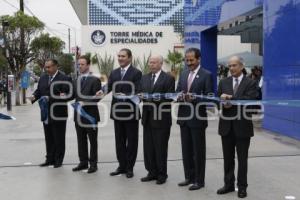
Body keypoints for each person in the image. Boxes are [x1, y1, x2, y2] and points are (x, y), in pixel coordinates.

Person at [216, 56, 258, 198]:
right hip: (226, 126)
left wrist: (231, 99)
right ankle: (228, 184)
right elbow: (217, 101)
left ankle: (242, 187)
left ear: (241, 66)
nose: (231, 68)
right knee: (228, 159)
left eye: (234, 65)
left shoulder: (251, 83)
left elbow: (252, 101)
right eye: (230, 66)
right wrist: (223, 103)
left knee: (242, 159)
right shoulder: (223, 82)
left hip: (242, 127)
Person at [176, 48, 213, 191]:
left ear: (198, 59)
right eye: (187, 60)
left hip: (197, 119)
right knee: (186, 150)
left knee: (198, 152)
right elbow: (178, 90)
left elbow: (209, 96)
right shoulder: (183, 73)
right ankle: (189, 177)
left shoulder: (206, 75)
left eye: (191, 60)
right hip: (184, 117)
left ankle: (199, 180)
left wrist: (195, 98)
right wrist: (179, 96)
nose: (189, 62)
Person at [139, 55, 175, 185]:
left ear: (160, 64)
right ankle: (151, 172)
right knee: (149, 148)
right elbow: (140, 93)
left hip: (161, 119)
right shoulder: (144, 78)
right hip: (147, 118)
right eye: (150, 62)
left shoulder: (169, 78)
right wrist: (138, 97)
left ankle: (162, 174)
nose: (151, 65)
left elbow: (170, 97)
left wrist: (154, 98)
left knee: (160, 148)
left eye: (154, 62)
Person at [107, 48, 142, 178]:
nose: (120, 58)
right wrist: (100, 92)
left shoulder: (136, 73)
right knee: (119, 141)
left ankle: (129, 168)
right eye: (119, 56)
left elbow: (138, 90)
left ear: (129, 58)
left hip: (131, 112)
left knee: (132, 141)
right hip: (117, 112)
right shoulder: (114, 72)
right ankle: (121, 166)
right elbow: (108, 87)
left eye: (123, 56)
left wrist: (126, 95)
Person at [31, 59, 71, 168]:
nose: (47, 69)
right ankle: (49, 159)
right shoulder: (43, 77)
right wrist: (34, 96)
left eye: (49, 67)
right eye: (46, 67)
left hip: (58, 113)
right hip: (45, 112)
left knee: (59, 138)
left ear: (56, 66)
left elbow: (67, 95)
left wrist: (51, 98)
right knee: (48, 137)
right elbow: (39, 91)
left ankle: (58, 160)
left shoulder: (64, 78)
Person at [72, 55, 102, 174]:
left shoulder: (95, 80)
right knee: (81, 140)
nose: (79, 66)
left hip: (91, 115)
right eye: (78, 64)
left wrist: (85, 102)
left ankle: (93, 164)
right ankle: (83, 162)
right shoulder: (75, 80)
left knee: (92, 141)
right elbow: (73, 95)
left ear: (88, 65)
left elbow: (97, 98)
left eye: (82, 64)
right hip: (78, 115)